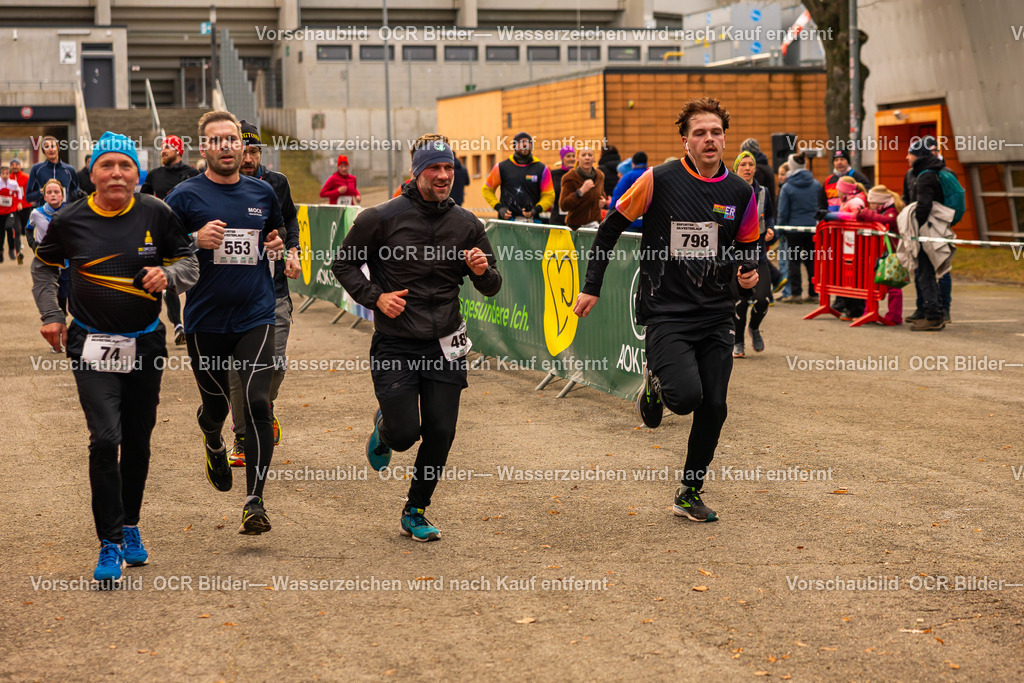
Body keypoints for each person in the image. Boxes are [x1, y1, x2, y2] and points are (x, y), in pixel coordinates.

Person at [573, 97, 760, 523]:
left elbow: (751, 244)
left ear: (724, 138)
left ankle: (690, 491)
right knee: (686, 399)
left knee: (715, 406)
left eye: (716, 132)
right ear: (685, 140)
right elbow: (608, 230)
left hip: (716, 312)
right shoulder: (657, 179)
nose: (709, 139)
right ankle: (655, 385)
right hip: (667, 310)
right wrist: (592, 287)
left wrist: (750, 273)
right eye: (700, 132)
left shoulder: (739, 191)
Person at [30, 131, 196, 583]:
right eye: (107, 166)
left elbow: (189, 262)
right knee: (106, 438)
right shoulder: (70, 218)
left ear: (137, 173)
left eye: (125, 166)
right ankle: (108, 543)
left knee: (138, 440)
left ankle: (129, 526)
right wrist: (51, 314)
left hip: (145, 343)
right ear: (93, 173)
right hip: (91, 344)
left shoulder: (156, 213)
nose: (117, 174)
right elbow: (44, 266)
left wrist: (169, 273)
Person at [332, 136, 502, 542]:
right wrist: (377, 297)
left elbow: (493, 285)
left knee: (441, 431)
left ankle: (416, 509)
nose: (444, 176)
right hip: (397, 345)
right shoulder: (380, 218)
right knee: (406, 433)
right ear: (417, 172)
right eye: (435, 169)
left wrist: (481, 271)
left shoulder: (466, 223)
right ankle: (386, 428)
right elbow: (343, 264)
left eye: (449, 169)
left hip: (445, 344)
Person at [164, 110, 285, 535]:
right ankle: (213, 439)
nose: (227, 146)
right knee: (216, 407)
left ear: (241, 144)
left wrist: (276, 245)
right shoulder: (183, 196)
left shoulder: (262, 193)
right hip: (205, 320)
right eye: (216, 140)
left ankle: (255, 501)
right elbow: (159, 253)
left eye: (232, 139)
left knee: (257, 403)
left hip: (256, 314)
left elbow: (273, 237)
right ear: (205, 148)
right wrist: (195, 241)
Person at [226, 120, 302, 467]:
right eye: (245, 151)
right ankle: (242, 438)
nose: (250, 158)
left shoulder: (277, 184)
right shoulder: (219, 188)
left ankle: (264, 409)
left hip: (274, 291)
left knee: (276, 365)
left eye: (255, 151)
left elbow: (290, 224)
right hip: (234, 295)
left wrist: (292, 253)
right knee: (238, 371)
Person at [141, 135, 201, 346]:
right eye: (162, 147)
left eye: (167, 147)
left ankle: (195, 324)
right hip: (163, 236)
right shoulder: (154, 175)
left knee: (194, 280)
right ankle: (178, 326)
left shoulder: (193, 174)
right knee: (168, 282)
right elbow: (143, 201)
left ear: (178, 150)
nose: (163, 150)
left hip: (190, 237)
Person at [902, 137, 951, 331]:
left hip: (925, 231)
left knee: (925, 273)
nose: (907, 157)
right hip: (929, 229)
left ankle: (934, 316)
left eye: (910, 154)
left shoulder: (925, 176)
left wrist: (913, 225)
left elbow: (923, 206)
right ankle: (932, 312)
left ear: (919, 156)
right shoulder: (927, 173)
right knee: (926, 272)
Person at [730, 152, 775, 357]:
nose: (747, 168)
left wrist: (772, 230)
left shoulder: (763, 192)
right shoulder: (727, 190)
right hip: (735, 256)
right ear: (736, 167)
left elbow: (771, 216)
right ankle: (738, 342)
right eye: (743, 164)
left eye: (751, 164)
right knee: (740, 301)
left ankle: (754, 327)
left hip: (759, 255)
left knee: (763, 299)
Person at [856, 185, 905, 325]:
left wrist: (866, 214)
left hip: (892, 252)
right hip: (880, 251)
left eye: (872, 202)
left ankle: (894, 316)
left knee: (893, 285)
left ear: (881, 202)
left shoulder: (892, 210)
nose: (870, 205)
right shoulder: (883, 210)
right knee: (871, 282)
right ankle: (869, 312)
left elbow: (888, 221)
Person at [777, 152, 821, 303]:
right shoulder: (815, 184)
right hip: (812, 228)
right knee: (811, 260)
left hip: (793, 229)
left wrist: (780, 230)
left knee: (793, 261)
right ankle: (814, 293)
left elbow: (783, 212)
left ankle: (796, 293)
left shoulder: (787, 187)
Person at [482, 132, 553, 222]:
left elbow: (549, 195)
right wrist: (499, 208)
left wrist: (536, 209)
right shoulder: (501, 167)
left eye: (528, 142)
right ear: (515, 146)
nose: (525, 145)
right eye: (521, 142)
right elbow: (487, 190)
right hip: (507, 223)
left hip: (533, 222)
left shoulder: (542, 169)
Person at [27, 179, 70, 312]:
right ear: (44, 196)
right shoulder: (36, 213)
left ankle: (62, 315)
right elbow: (28, 229)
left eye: (56, 192)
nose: (53, 195)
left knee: (63, 294)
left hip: (66, 261)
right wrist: (33, 245)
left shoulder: (70, 213)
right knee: (49, 292)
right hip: (46, 259)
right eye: (49, 192)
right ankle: (55, 317)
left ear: (62, 196)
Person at [558, 147, 607, 230]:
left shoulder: (600, 176)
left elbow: (601, 194)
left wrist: (603, 200)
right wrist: (580, 192)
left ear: (594, 158)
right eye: (583, 155)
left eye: (590, 155)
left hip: (594, 225)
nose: (587, 158)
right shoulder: (569, 177)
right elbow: (563, 205)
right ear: (577, 158)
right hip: (576, 227)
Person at [26, 135, 81, 206]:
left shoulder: (70, 170)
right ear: (43, 151)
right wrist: (42, 192)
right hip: (44, 213)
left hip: (63, 213)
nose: (51, 149)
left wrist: (80, 194)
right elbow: (28, 197)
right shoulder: (36, 169)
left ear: (58, 148)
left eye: (53, 146)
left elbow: (75, 191)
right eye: (46, 147)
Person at [610, 152, 649, 229]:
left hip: (630, 221)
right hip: (648, 222)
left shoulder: (627, 177)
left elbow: (617, 197)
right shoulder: (652, 175)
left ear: (633, 164)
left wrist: (611, 213)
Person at [0, 165, 24, 263]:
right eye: (3, 173)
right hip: (1, 211)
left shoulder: (13, 183)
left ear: (9, 174)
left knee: (9, 227)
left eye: (7, 173)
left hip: (11, 210)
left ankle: (11, 250)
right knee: (1, 233)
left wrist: (19, 202)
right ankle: (0, 252)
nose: (5, 175)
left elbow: (19, 192)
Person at [549, 145, 576, 226]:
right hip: (557, 220)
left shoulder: (579, 174)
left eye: (573, 156)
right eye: (568, 156)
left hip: (576, 220)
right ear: (562, 158)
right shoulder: (554, 174)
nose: (571, 159)